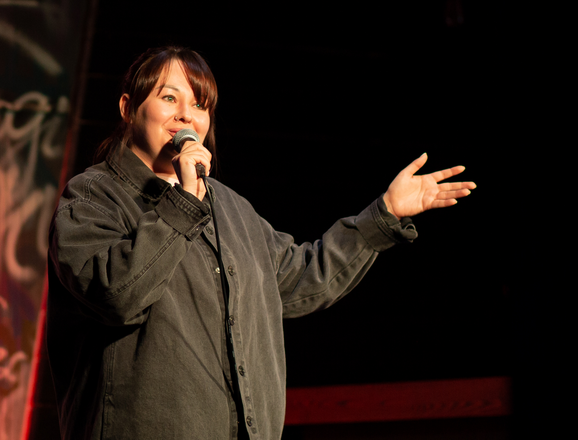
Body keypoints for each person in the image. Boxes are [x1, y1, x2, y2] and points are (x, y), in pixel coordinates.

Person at [46, 46, 475, 440]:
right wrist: (183, 202)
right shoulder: (93, 196)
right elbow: (117, 295)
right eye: (169, 98)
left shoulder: (231, 209)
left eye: (200, 104)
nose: (186, 116)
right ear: (128, 108)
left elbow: (300, 277)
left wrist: (385, 213)